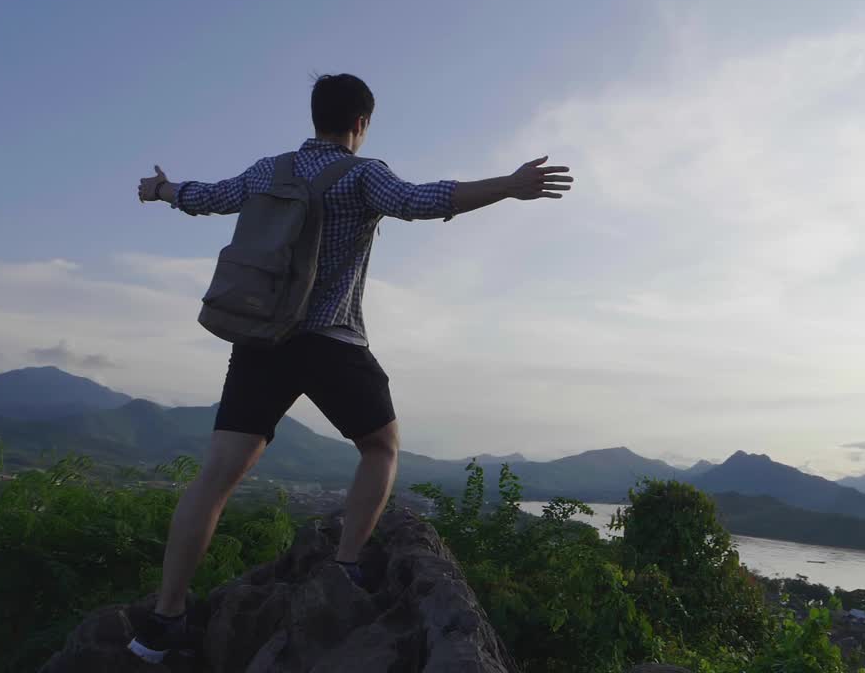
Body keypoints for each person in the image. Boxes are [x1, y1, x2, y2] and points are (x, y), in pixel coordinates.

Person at [126, 73, 571, 663]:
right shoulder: (362, 174)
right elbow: (423, 201)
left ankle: (164, 619)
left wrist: (161, 189)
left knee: (214, 479)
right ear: (360, 123)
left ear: (315, 117)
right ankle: (347, 564)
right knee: (382, 446)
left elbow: (205, 197)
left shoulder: (268, 170)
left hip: (260, 340)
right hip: (330, 339)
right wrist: (510, 186)